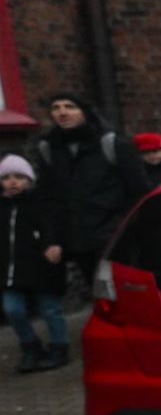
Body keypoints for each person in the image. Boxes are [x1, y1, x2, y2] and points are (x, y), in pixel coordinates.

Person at [33, 93, 148, 291]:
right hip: (78, 239)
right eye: (56, 108)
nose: (62, 113)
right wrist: (53, 239)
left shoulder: (112, 144)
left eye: (69, 107)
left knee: (124, 292)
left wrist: (127, 230)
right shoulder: (49, 148)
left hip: (114, 236)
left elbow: (138, 190)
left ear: (84, 112)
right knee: (98, 294)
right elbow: (49, 198)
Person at [0, 155, 69, 373]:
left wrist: (55, 245)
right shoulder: (2, 207)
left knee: (50, 308)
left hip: (41, 267)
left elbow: (56, 227)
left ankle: (59, 347)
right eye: (7, 177)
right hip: (9, 270)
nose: (12, 182)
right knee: (13, 310)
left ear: (29, 179)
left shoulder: (42, 203)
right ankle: (30, 346)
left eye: (19, 177)